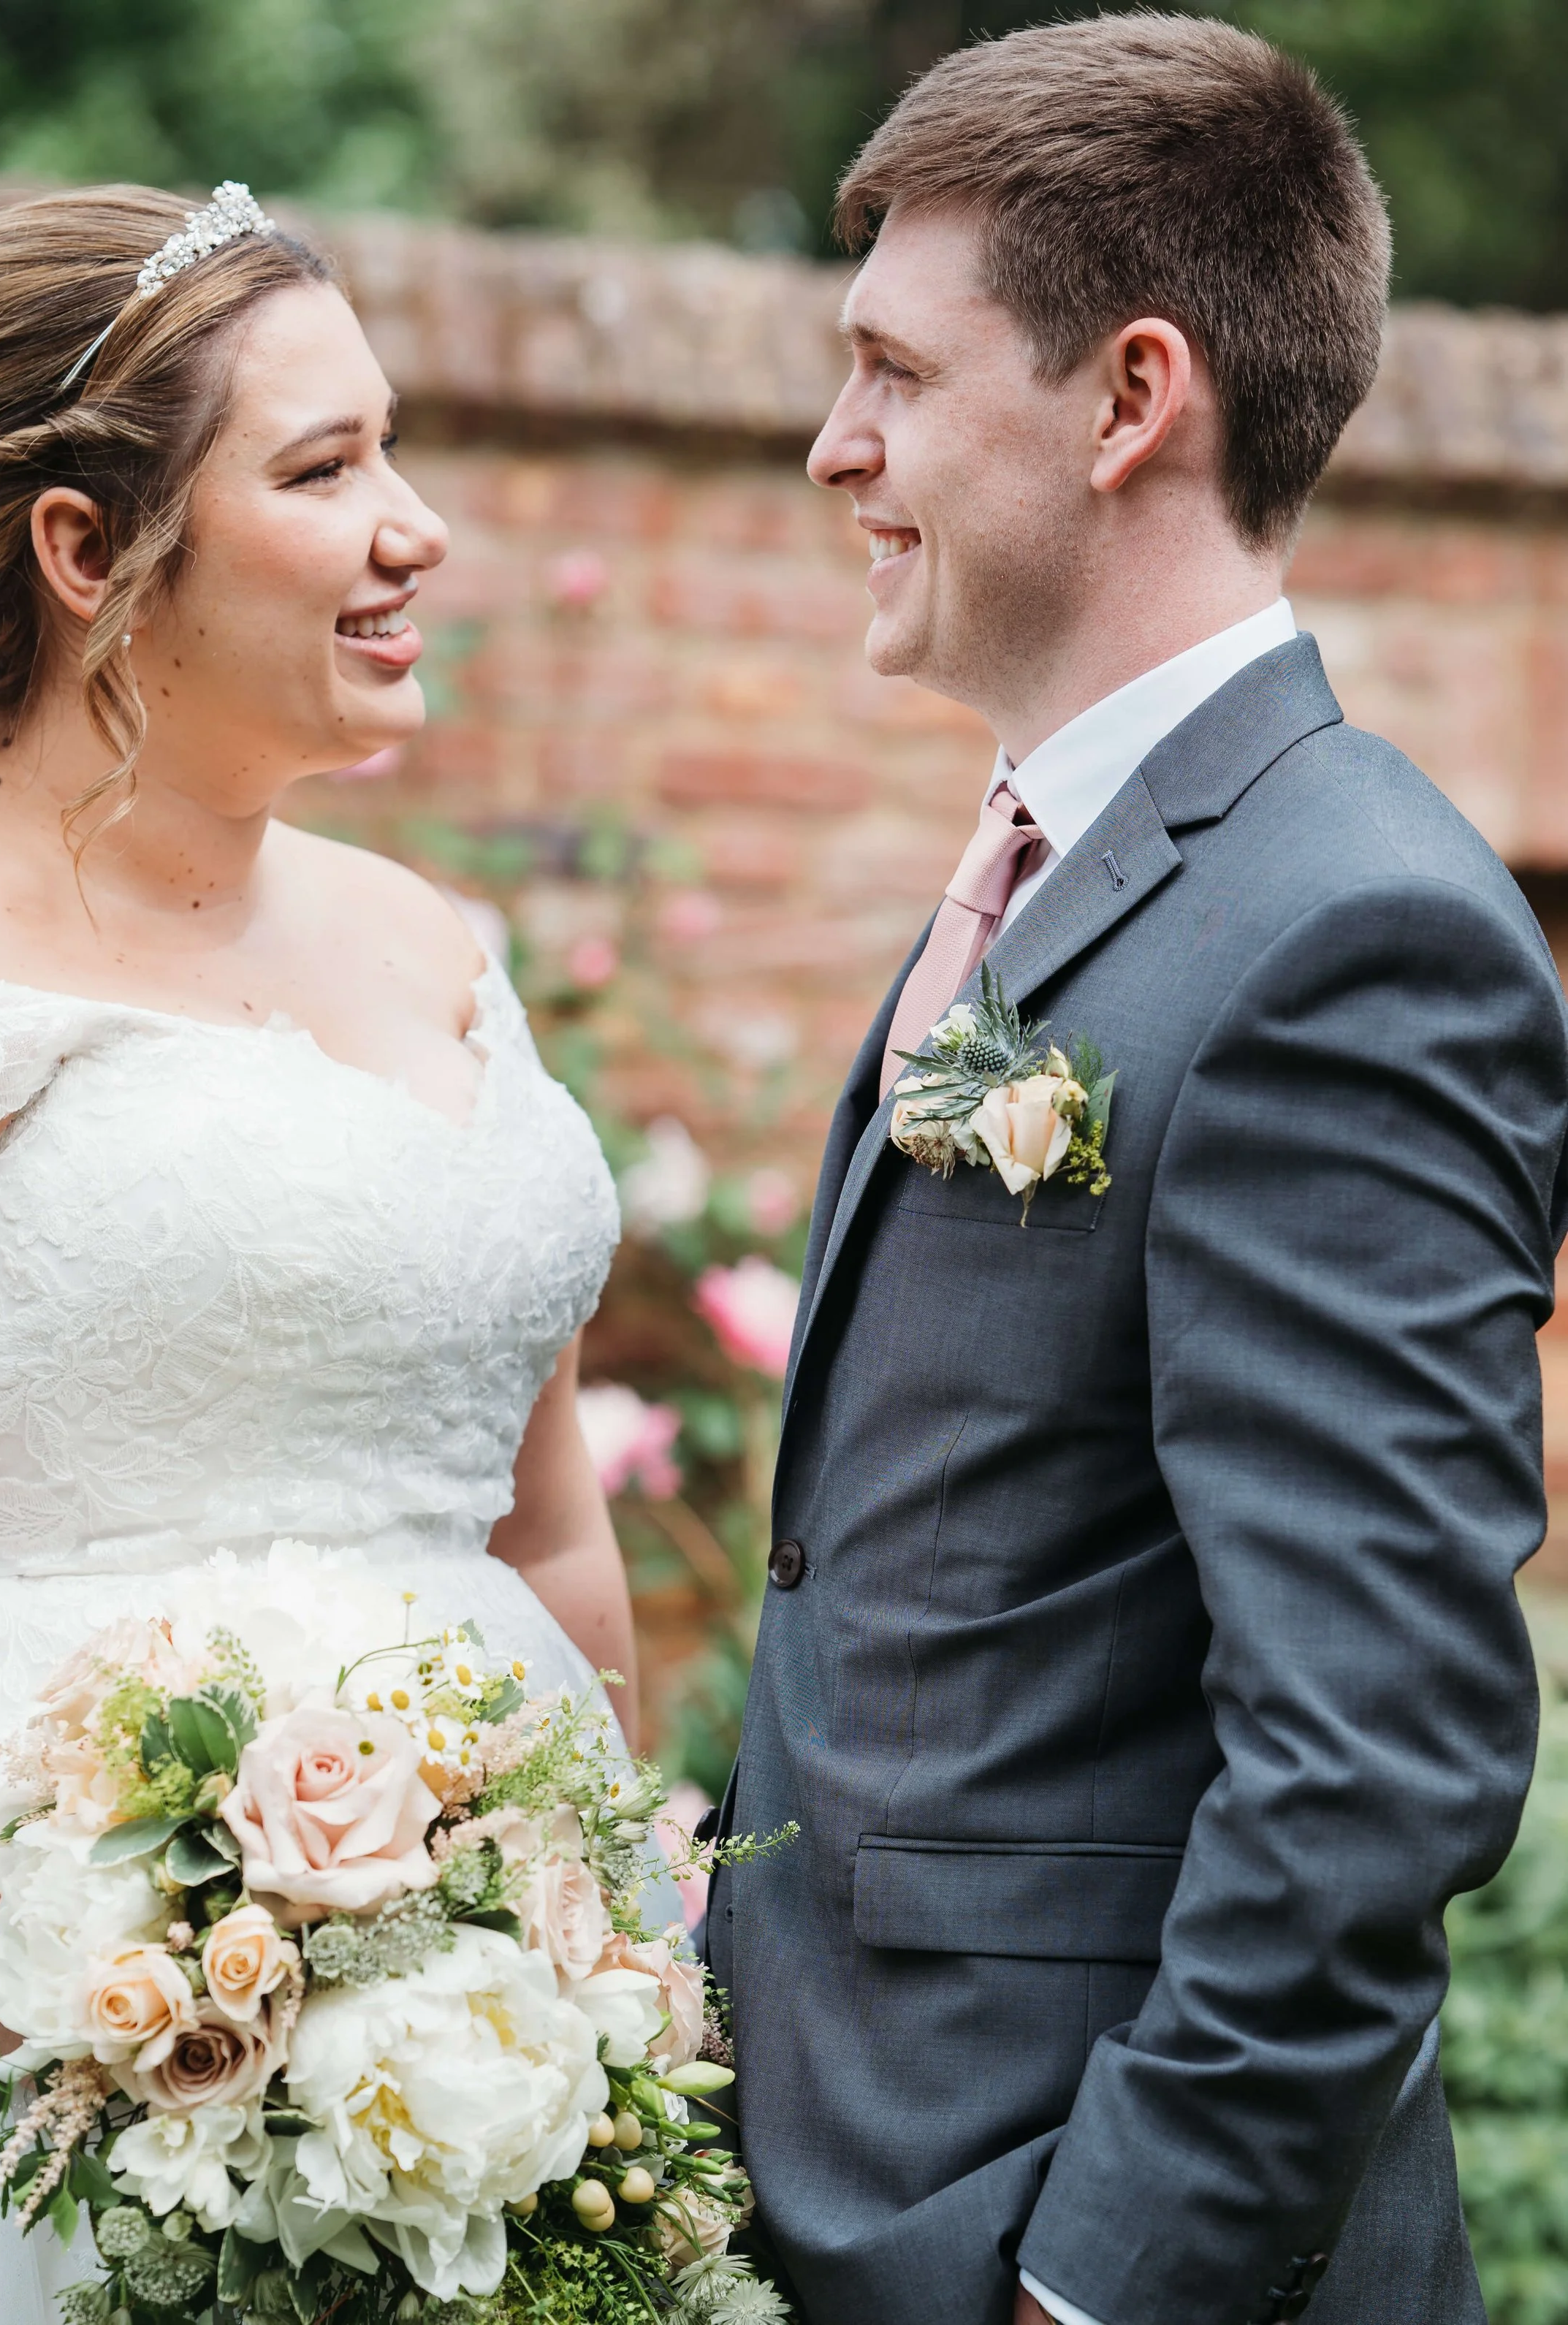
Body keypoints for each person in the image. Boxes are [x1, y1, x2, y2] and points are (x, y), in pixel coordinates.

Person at [707, 19, 1568, 2325]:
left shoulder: (1345, 928)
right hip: (857, 2182)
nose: (832, 446)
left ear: (1125, 399)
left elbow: (1371, 1752)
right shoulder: (1054, 865)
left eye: (891, 369)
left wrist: (1087, 2284)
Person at [0, 183, 636, 2320]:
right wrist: (147, 1985)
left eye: (391, 447)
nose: (412, 525)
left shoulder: (430, 944)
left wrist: (599, 1961)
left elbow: (545, 1537)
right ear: (84, 549)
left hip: (490, 2105)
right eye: (324, 471)